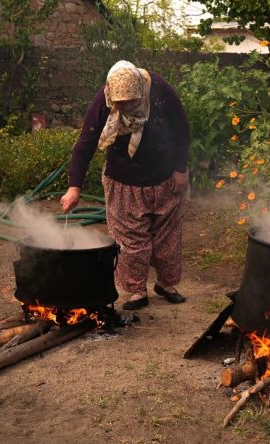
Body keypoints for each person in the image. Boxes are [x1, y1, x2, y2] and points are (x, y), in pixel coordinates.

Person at [60, 60, 190, 311]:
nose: (127, 107)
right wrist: (74, 187)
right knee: (131, 241)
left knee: (168, 237)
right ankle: (136, 291)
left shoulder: (159, 89)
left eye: (132, 102)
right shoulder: (105, 100)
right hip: (123, 181)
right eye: (121, 104)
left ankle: (166, 284)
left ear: (141, 91)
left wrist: (180, 168)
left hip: (164, 177)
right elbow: (85, 142)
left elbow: (181, 130)